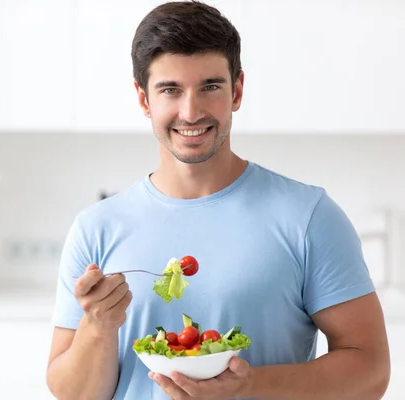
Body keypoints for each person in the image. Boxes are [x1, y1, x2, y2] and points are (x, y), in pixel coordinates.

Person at [46, 1, 391, 399]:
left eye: (210, 87)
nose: (190, 112)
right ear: (144, 100)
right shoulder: (96, 228)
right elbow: (74, 394)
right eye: (170, 90)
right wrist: (97, 326)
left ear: (237, 91)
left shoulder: (308, 217)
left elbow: (371, 370)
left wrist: (250, 387)